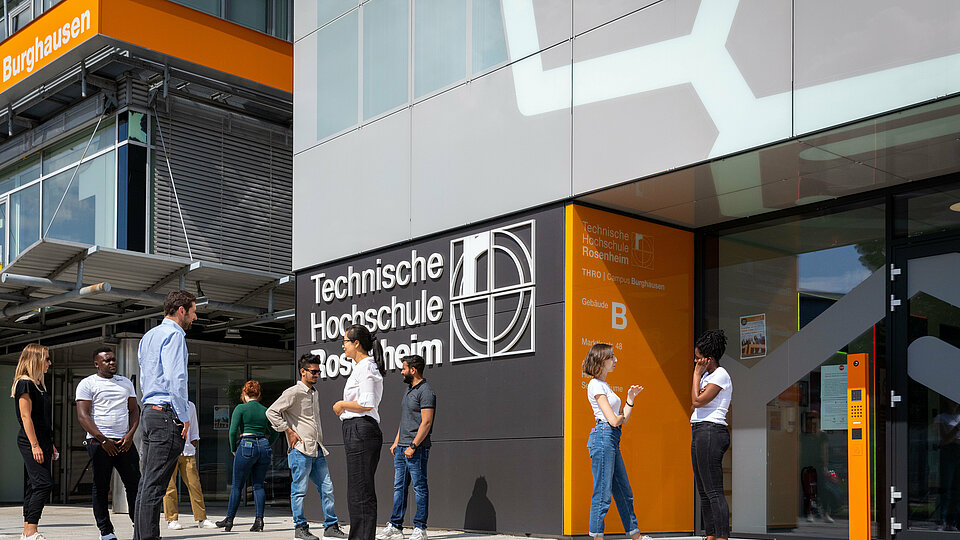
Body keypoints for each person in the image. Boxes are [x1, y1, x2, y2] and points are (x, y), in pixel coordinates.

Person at [133, 289, 197, 540]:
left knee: (146, 483)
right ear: (181, 310)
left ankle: (140, 536)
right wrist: (184, 416)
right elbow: (176, 378)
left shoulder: (148, 337)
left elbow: (145, 377)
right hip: (166, 415)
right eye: (193, 312)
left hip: (150, 411)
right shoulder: (175, 336)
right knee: (155, 485)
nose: (194, 317)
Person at [267, 355, 346, 540]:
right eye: (314, 371)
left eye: (319, 371)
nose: (317, 374)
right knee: (299, 491)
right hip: (300, 450)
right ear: (302, 371)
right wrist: (288, 431)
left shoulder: (314, 392)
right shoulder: (293, 392)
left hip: (317, 448)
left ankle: (330, 526)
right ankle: (300, 528)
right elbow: (271, 412)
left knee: (327, 488)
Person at [581, 343, 650, 540]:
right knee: (602, 494)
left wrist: (630, 399)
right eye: (612, 357)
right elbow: (613, 420)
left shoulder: (605, 386)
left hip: (611, 438)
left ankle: (635, 535)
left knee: (623, 490)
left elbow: (622, 420)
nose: (615, 360)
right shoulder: (594, 385)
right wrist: (618, 418)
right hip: (603, 437)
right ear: (601, 361)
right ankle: (597, 537)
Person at [76, 346, 141, 540]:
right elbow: (83, 416)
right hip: (99, 443)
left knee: (135, 485)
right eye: (107, 360)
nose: (112, 363)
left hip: (124, 442)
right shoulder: (87, 384)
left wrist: (129, 436)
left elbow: (134, 411)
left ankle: (139, 525)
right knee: (101, 487)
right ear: (97, 364)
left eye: (113, 359)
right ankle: (106, 531)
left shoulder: (126, 383)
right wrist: (102, 439)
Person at [334, 324, 385, 540]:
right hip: (357, 430)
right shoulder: (361, 367)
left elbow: (367, 402)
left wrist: (341, 404)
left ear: (356, 343)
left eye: (345, 341)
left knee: (360, 491)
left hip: (361, 429)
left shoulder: (366, 367)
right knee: (357, 490)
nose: (343, 346)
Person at [377, 355, 436, 540]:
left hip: (416, 449)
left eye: (404, 368)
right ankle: (395, 526)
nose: (401, 372)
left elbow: (426, 422)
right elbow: (405, 420)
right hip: (402, 448)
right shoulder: (408, 390)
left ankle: (420, 528)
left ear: (413, 370)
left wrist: (413, 445)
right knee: (399, 487)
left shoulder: (426, 391)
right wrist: (396, 441)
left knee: (419, 487)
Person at [216, 380, 279, 532]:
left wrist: (233, 448)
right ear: (259, 394)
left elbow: (232, 431)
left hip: (246, 444)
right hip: (263, 445)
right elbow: (276, 432)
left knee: (237, 485)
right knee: (258, 485)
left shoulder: (241, 408)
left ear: (244, 394)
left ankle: (229, 520)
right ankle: (259, 521)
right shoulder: (265, 410)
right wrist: (266, 444)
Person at [11, 343, 59, 540]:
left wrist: (50, 443)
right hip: (31, 441)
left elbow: (42, 420)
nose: (49, 363)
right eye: (46, 358)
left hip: (43, 440)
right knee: (43, 484)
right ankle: (31, 529)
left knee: (33, 484)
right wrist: (35, 445)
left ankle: (27, 531)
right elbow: (25, 417)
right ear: (35, 360)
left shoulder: (39, 385)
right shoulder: (25, 383)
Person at [690, 329, 733, 540]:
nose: (695, 361)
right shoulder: (708, 376)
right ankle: (711, 535)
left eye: (698, 358)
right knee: (704, 491)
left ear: (709, 358)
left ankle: (722, 536)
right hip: (699, 430)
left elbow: (697, 401)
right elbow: (696, 400)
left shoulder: (720, 375)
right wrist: (700, 376)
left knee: (714, 490)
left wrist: (697, 375)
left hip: (711, 431)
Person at [163, 401, 217, 529]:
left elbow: (194, 428)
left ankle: (201, 518)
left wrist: (193, 444)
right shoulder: (166, 404)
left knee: (195, 485)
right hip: (170, 451)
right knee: (170, 486)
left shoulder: (190, 405)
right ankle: (171, 519)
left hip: (187, 451)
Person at [936, 398, 960, 531]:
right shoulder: (941, 418)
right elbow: (944, 439)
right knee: (947, 488)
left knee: (957, 489)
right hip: (949, 453)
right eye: (952, 401)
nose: (955, 404)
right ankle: (943, 520)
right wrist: (957, 428)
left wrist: (954, 438)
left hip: (957, 452)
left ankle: (955, 521)